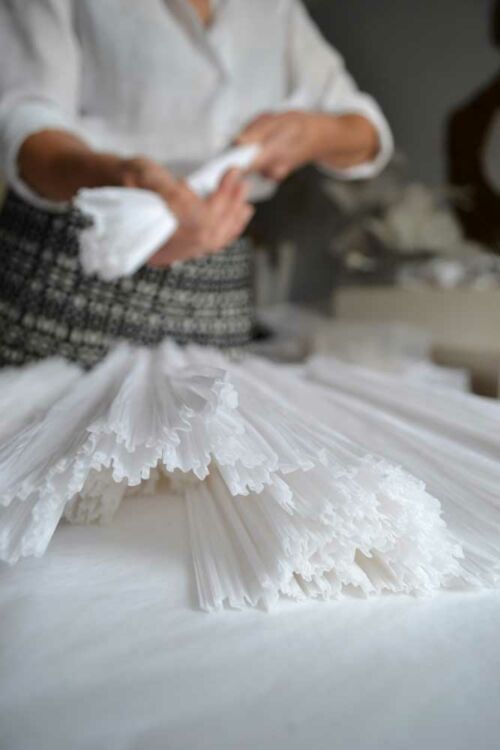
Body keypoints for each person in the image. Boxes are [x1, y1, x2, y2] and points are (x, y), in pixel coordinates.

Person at [0, 0, 499, 612]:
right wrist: (123, 183)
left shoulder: (272, 9)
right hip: (68, 280)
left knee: (203, 457)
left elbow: (365, 131)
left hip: (210, 303)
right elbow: (25, 123)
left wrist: (311, 133)